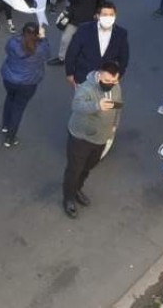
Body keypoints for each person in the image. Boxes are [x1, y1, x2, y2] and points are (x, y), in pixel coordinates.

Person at [62, 61, 122, 219]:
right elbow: (76, 106)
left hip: (101, 137)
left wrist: (114, 125)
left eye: (113, 81)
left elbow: (117, 107)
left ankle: (77, 189)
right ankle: (68, 198)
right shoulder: (86, 88)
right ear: (99, 74)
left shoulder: (116, 86)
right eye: (107, 80)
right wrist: (97, 105)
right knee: (74, 169)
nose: (110, 84)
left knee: (88, 167)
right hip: (81, 137)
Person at [0, 22, 50, 147]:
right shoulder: (40, 47)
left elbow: (7, 49)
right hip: (29, 83)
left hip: (9, 79)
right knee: (18, 108)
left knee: (10, 99)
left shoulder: (13, 43)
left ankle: (5, 125)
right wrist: (44, 38)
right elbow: (48, 55)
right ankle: (10, 138)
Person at [48, 0, 105, 66]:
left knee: (84, 42)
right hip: (74, 19)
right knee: (65, 39)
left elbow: (101, 4)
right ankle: (62, 58)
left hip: (88, 21)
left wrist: (98, 13)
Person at [64, 1, 129, 86]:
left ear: (115, 16)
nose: (108, 18)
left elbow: (124, 58)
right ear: (98, 16)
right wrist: (69, 73)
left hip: (107, 82)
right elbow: (72, 52)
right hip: (84, 79)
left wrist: (117, 76)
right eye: (105, 15)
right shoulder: (84, 29)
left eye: (111, 15)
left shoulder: (121, 34)